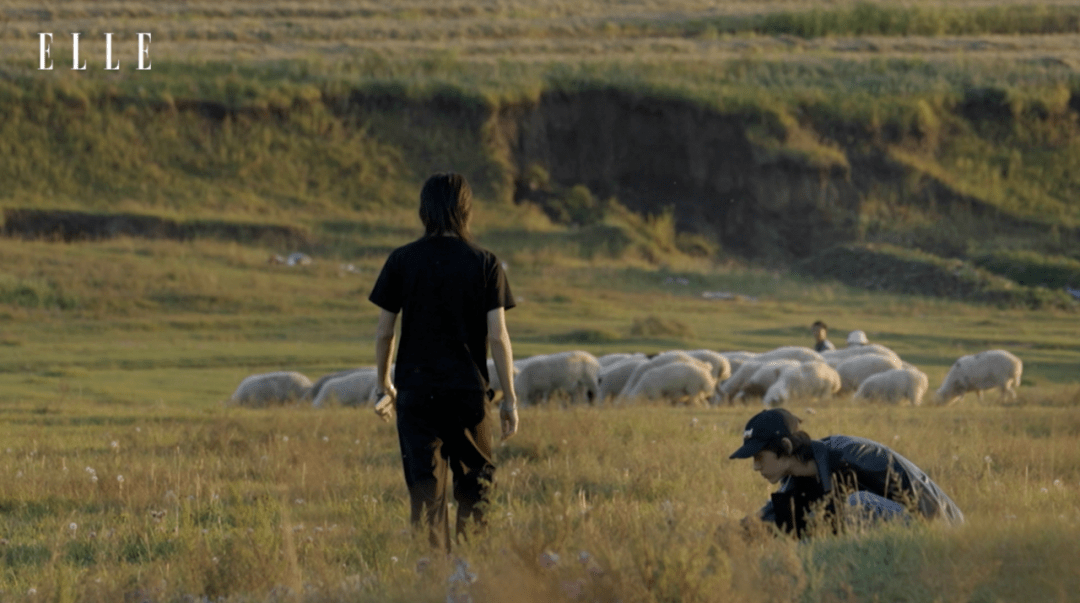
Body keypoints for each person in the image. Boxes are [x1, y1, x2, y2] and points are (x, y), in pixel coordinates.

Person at [369, 172, 519, 551]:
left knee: (425, 491)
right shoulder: (486, 262)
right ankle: (470, 574)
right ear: (466, 210)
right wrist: (511, 398)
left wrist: (383, 383)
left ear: (424, 210)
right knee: (476, 487)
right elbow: (498, 336)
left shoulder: (402, 260)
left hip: (417, 395)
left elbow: (385, 331)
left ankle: (432, 578)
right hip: (469, 394)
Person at [730, 409, 964, 538]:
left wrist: (948, 543)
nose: (755, 467)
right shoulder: (796, 480)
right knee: (800, 523)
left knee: (859, 503)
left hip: (939, 526)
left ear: (786, 447)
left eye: (759, 457)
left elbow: (921, 496)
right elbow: (766, 521)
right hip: (903, 531)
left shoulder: (851, 454)